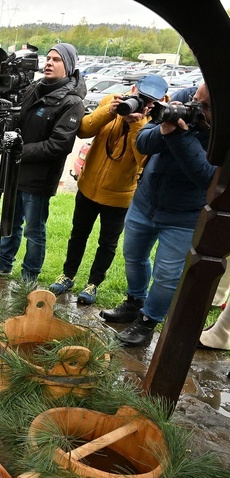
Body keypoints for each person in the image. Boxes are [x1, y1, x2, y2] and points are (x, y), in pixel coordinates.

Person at [101, 83, 216, 347]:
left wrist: (177, 136)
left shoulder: (221, 132)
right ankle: (134, 302)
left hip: (184, 215)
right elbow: (143, 143)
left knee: (167, 275)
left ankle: (148, 320)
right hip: (146, 201)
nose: (193, 106)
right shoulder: (183, 98)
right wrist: (165, 128)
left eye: (205, 106)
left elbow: (207, 177)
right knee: (133, 256)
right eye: (195, 99)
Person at [49, 75, 169, 305]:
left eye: (150, 100)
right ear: (133, 89)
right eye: (140, 96)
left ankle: (93, 283)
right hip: (88, 187)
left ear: (161, 100)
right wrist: (110, 112)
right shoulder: (111, 102)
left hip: (119, 196)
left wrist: (137, 123)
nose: (143, 102)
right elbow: (83, 130)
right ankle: (67, 275)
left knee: (107, 243)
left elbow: (143, 158)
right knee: (78, 235)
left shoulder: (156, 123)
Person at [0, 43, 86, 281]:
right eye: (48, 58)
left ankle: (29, 276)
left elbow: (60, 145)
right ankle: (2, 266)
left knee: (33, 232)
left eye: (56, 60)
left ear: (69, 66)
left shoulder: (72, 101)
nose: (49, 63)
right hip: (15, 172)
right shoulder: (34, 88)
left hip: (39, 179)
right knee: (9, 224)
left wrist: (18, 148)